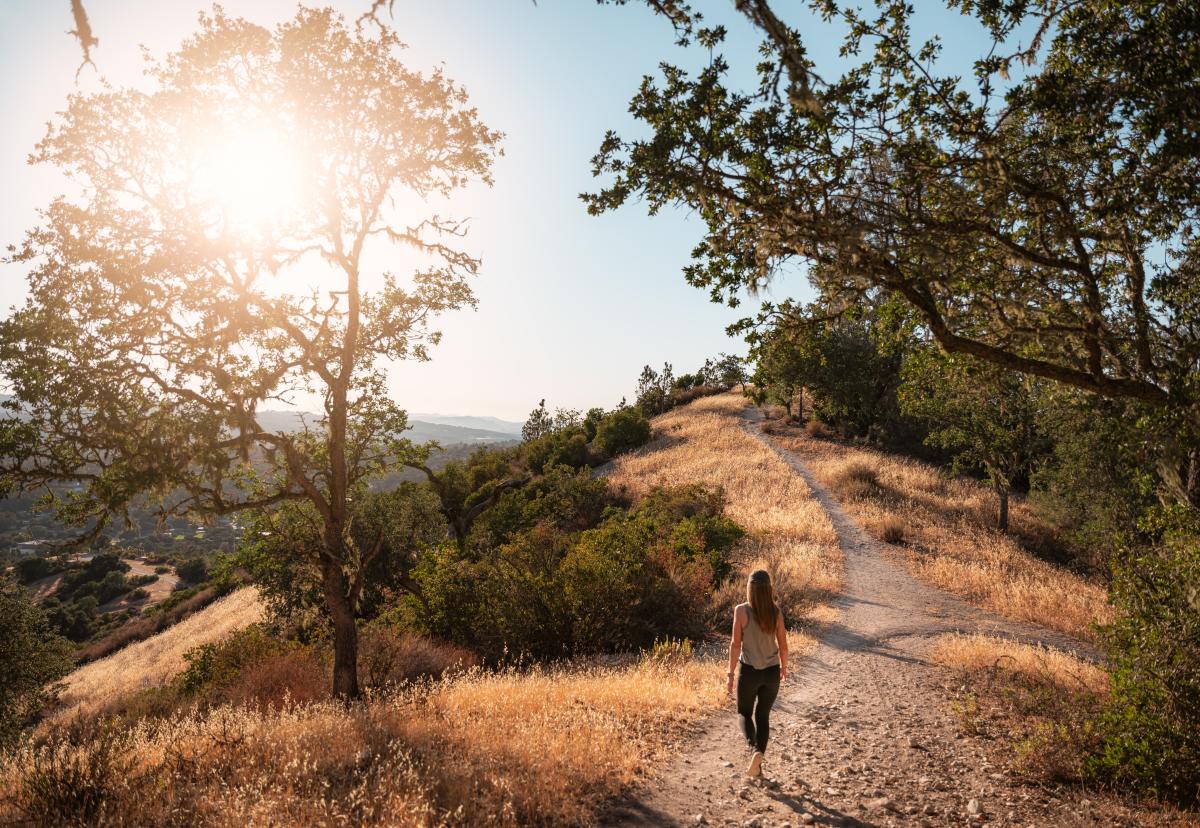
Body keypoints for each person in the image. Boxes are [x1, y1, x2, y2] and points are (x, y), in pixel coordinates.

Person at [726, 569, 788, 778]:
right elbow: (783, 645)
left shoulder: (741, 611)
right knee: (763, 716)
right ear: (769, 589)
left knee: (744, 713)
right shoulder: (776, 612)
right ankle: (758, 762)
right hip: (771, 673)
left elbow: (735, 645)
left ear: (749, 588)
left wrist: (730, 673)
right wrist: (784, 668)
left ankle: (754, 750)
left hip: (749, 672)